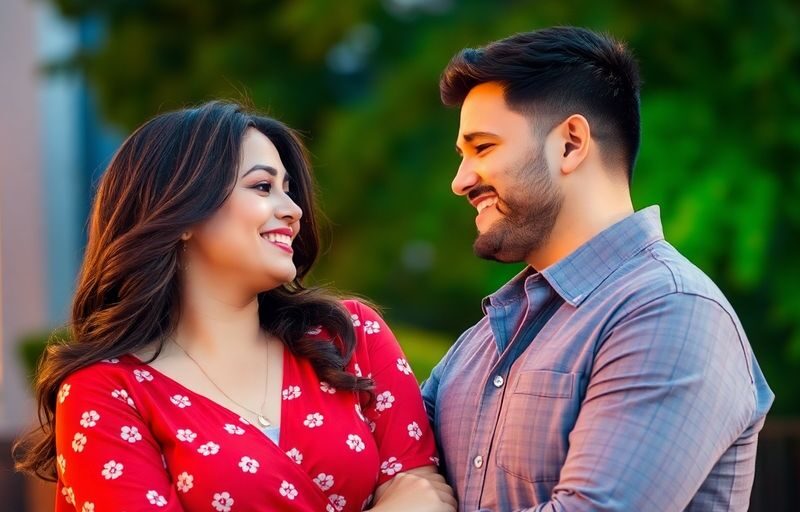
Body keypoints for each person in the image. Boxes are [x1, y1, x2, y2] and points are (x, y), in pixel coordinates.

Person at [14, 101, 455, 512]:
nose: (293, 210)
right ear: (182, 212)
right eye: (263, 186)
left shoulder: (348, 336)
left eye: (289, 190)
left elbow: (425, 492)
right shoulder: (106, 392)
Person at [421, 26, 773, 511]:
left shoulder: (673, 311)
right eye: (462, 156)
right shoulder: (478, 345)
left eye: (482, 148)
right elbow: (375, 462)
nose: (460, 181)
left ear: (570, 143)